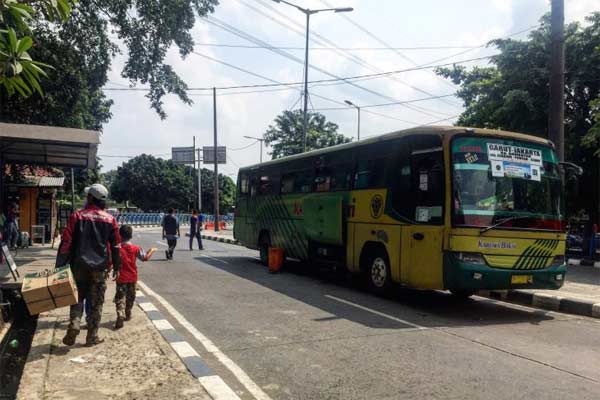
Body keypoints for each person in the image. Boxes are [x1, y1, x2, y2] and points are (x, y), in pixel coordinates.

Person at [56, 183, 121, 347]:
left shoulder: (77, 216)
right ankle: (92, 336)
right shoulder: (110, 219)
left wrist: (59, 266)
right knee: (97, 302)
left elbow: (66, 242)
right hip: (99, 268)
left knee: (77, 297)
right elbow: (116, 246)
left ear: (91, 197)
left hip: (78, 266)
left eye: (87, 196)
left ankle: (75, 324)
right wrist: (117, 267)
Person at [114, 225, 154, 329]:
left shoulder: (117, 248)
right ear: (131, 236)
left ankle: (120, 313)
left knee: (120, 297)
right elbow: (145, 258)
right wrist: (151, 251)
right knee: (130, 297)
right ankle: (128, 314)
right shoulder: (136, 248)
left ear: (119, 235)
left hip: (121, 277)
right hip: (132, 276)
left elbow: (111, 261)